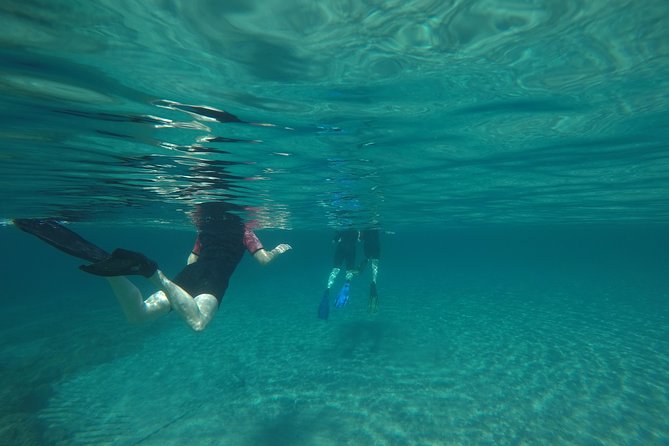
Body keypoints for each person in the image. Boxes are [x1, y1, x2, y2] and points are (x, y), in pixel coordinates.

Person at [13, 202, 291, 331]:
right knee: (198, 323)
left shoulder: (204, 229)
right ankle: (150, 272)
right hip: (215, 276)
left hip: (189, 274)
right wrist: (277, 250)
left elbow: (192, 260)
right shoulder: (245, 231)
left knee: (138, 315)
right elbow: (263, 261)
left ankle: (110, 267)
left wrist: (183, 288)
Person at [318, 228, 359, 320]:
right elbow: (359, 239)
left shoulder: (342, 228)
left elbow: (334, 241)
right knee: (349, 270)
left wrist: (338, 236)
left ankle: (328, 290)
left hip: (340, 249)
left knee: (335, 269)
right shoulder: (356, 229)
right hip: (351, 250)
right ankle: (346, 285)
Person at [358, 229, 380, 313]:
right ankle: (374, 282)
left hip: (367, 246)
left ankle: (362, 266)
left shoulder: (364, 226)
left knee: (367, 258)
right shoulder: (377, 226)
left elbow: (360, 239)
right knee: (375, 265)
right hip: (376, 246)